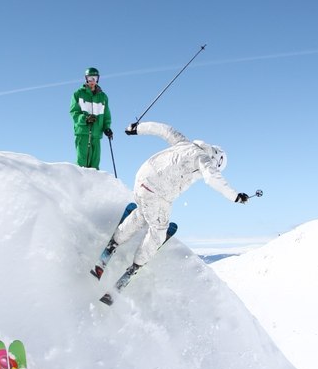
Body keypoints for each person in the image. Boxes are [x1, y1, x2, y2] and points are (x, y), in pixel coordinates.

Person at [91, 120, 251, 290]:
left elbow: (164, 130)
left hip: (141, 180)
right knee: (158, 232)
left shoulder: (184, 143)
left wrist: (137, 129)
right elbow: (212, 178)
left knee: (142, 215)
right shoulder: (204, 159)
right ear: (217, 160)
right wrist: (235, 196)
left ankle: (113, 244)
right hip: (157, 191)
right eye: (217, 167)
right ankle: (134, 268)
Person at [70, 67, 113, 169]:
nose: (92, 81)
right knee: (82, 164)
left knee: (95, 165)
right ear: (86, 79)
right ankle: (79, 184)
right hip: (83, 133)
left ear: (97, 79)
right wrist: (84, 119)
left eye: (94, 78)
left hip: (96, 134)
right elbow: (74, 113)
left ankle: (94, 185)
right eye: (90, 78)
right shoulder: (78, 94)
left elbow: (106, 115)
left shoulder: (103, 97)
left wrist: (107, 128)